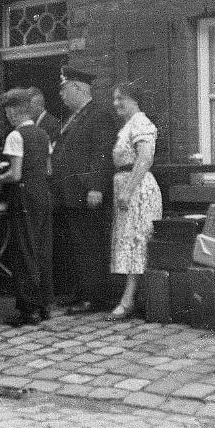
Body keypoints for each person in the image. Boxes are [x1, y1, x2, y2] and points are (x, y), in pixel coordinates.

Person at [51, 65, 116, 315]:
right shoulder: (75, 116)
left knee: (90, 246)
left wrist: (96, 187)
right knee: (77, 246)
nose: (61, 94)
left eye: (64, 88)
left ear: (78, 87)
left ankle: (94, 297)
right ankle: (80, 292)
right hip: (69, 193)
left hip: (86, 193)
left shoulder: (99, 115)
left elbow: (101, 154)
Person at [0, 88, 53, 327]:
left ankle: (29, 309)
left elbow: (15, 174)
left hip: (24, 195)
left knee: (24, 250)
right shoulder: (43, 133)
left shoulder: (16, 136)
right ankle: (44, 305)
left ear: (13, 111)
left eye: (7, 111)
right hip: (43, 194)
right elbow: (47, 169)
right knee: (42, 249)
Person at [107, 82, 163, 320]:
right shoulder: (129, 125)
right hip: (128, 187)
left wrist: (128, 191)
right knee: (130, 241)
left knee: (136, 242)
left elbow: (144, 159)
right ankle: (132, 298)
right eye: (115, 98)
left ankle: (127, 301)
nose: (116, 103)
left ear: (134, 100)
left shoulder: (141, 123)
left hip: (138, 190)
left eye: (121, 98)